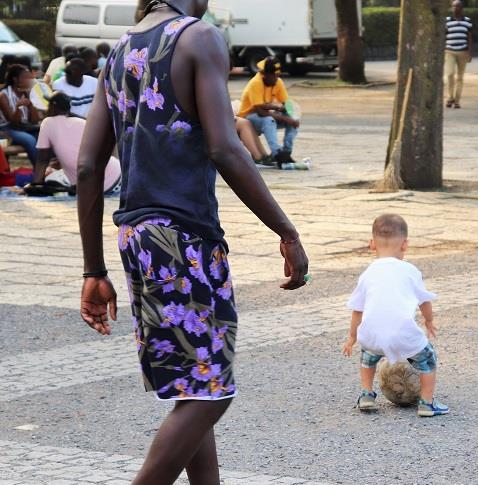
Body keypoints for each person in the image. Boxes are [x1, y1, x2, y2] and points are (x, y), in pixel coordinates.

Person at [77, 0, 309, 483]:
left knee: (194, 388)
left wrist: (93, 271)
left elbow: (85, 166)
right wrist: (286, 230)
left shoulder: (120, 50)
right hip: (185, 239)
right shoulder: (198, 37)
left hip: (137, 237)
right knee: (213, 391)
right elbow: (224, 146)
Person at [342, 214, 449, 417]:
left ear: (372, 244)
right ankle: (427, 403)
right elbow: (425, 301)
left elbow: (357, 309)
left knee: (368, 358)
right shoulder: (410, 271)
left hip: (372, 336)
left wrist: (352, 338)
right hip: (403, 334)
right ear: (405, 245)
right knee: (428, 359)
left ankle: (366, 394)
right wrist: (429, 321)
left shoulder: (368, 273)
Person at [25, 92, 121, 195]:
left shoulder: (47, 123)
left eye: (49, 105)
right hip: (118, 175)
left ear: (53, 107)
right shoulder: (82, 122)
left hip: (95, 187)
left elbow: (42, 159)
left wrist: (36, 186)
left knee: (50, 179)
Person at [238, 57, 299, 167]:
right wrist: (284, 117)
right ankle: (277, 154)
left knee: (294, 120)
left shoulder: (277, 82)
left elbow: (287, 102)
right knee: (269, 120)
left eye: (278, 75)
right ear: (264, 74)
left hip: (264, 117)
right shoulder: (255, 83)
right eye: (274, 76)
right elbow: (260, 111)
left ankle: (286, 152)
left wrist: (291, 115)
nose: (276, 79)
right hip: (248, 118)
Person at [0, 64, 40, 164]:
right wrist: (18, 107)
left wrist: (30, 104)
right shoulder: (3, 95)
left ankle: (47, 170)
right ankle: (40, 173)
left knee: (45, 137)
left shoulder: (29, 93)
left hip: (25, 127)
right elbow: (13, 123)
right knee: (29, 140)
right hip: (6, 130)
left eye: (30, 77)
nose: (29, 80)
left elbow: (34, 120)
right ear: (15, 79)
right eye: (25, 77)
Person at [444, 0, 472, 109]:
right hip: (449, 51)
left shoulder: (467, 21)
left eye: (458, 6)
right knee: (450, 74)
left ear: (462, 8)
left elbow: (469, 37)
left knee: (460, 77)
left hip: (463, 51)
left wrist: (469, 52)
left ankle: (457, 101)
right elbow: (443, 35)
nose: (455, 8)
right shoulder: (447, 21)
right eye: (454, 6)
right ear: (451, 8)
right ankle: (450, 97)